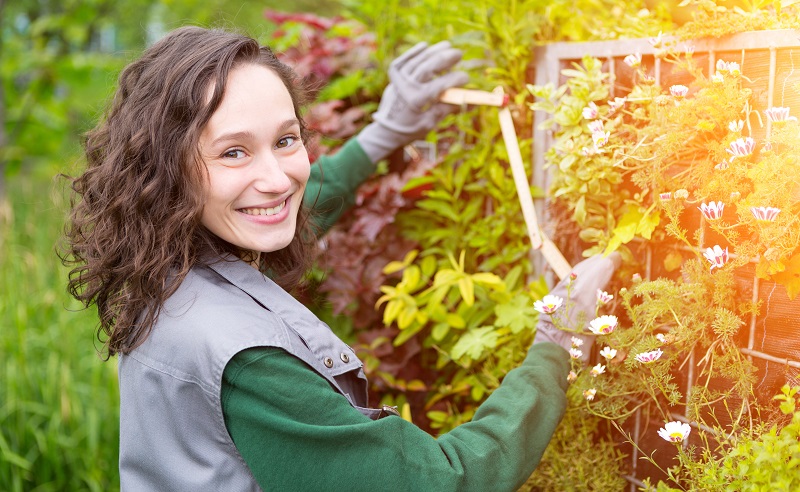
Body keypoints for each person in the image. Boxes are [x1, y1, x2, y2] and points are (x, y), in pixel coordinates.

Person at [63, 26, 618, 491]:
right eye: (234, 151)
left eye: (286, 139)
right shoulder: (253, 367)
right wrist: (556, 344)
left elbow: (286, 208)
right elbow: (439, 483)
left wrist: (383, 135)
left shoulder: (165, 264)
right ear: (169, 169)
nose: (278, 178)